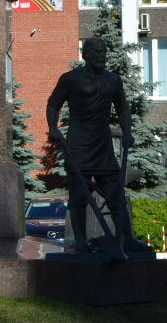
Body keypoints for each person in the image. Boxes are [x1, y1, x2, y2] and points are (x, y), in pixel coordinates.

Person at [46, 37, 148, 257]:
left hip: (102, 145)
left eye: (104, 52)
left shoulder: (113, 80)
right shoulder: (70, 79)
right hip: (78, 145)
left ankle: (127, 239)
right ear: (86, 55)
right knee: (78, 197)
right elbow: (53, 103)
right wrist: (53, 128)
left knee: (116, 195)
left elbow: (123, 109)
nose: (101, 56)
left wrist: (127, 132)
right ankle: (81, 242)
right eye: (97, 52)